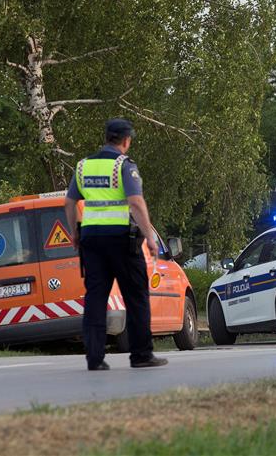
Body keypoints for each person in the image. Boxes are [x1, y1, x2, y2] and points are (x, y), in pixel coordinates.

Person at [64, 118, 167, 370]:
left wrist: (75, 233)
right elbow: (135, 202)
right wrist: (150, 239)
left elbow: (69, 203)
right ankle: (141, 355)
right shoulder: (123, 165)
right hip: (121, 241)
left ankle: (95, 358)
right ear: (126, 140)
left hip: (91, 241)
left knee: (96, 297)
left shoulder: (82, 166)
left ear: (107, 137)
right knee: (136, 296)